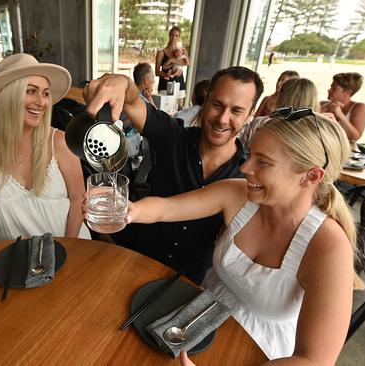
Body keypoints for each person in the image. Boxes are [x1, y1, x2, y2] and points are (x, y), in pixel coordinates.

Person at [124, 111, 362, 364]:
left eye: (263, 162)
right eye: (250, 155)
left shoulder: (328, 247)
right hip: (197, 323)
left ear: (311, 176)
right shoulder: (239, 195)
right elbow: (165, 209)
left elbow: (314, 360)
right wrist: (130, 210)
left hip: (259, 352)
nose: (245, 167)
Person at [86, 66, 264, 283]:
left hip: (190, 282)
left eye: (236, 110)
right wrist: (123, 83)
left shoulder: (248, 175)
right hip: (137, 257)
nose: (223, 119)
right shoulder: (172, 135)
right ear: (205, 101)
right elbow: (133, 101)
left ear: (250, 114)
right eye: (217, 105)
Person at [0, 54, 90, 276]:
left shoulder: (59, 141)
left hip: (71, 245)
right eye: (31, 91)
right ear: (9, 95)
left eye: (45, 93)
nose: (41, 102)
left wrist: (69, 245)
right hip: (14, 256)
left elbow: (79, 198)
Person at [243, 77, 323, 148]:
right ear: (314, 101)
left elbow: (241, 153)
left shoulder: (260, 123)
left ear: (282, 97)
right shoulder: (319, 133)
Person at [321, 72, 365, 143]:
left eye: (334, 88)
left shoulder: (359, 107)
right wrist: (324, 109)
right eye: (331, 87)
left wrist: (340, 115)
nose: (329, 90)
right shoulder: (322, 104)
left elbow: (354, 138)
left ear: (348, 92)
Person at [155, 26, 188, 93]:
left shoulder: (183, 51)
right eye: (172, 35)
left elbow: (186, 63)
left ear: (179, 37)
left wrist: (171, 60)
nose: (174, 38)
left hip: (179, 85)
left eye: (176, 36)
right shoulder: (161, 53)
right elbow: (157, 72)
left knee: (179, 103)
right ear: (169, 35)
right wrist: (167, 74)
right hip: (164, 85)